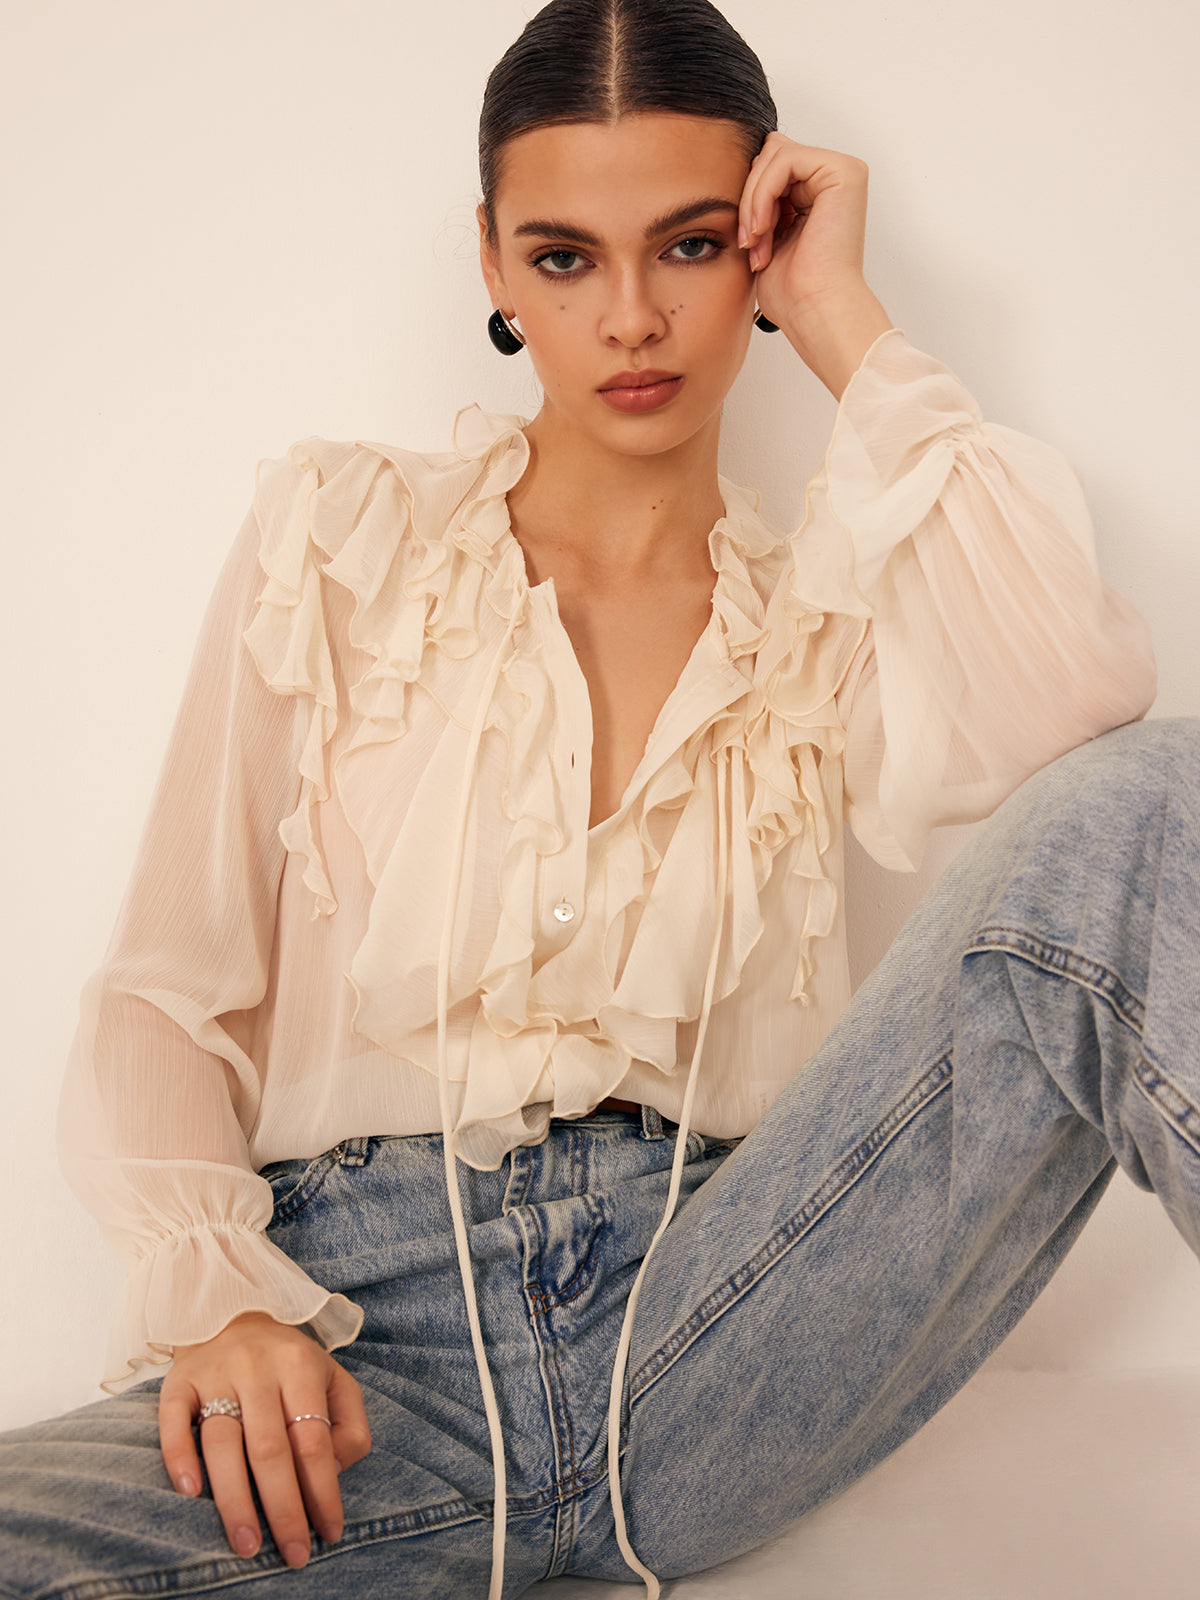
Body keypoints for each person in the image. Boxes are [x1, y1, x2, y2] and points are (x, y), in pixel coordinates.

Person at [2, 0, 1188, 1596]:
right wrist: (219, 1301)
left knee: (1151, 800)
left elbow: (1086, 715)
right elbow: (164, 995)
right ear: (493, 267)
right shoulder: (344, 546)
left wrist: (842, 315)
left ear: (757, 253)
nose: (633, 317)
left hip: (728, 1329)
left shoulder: (827, 625)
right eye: (564, 258)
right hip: (357, 1361)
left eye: (691, 247)